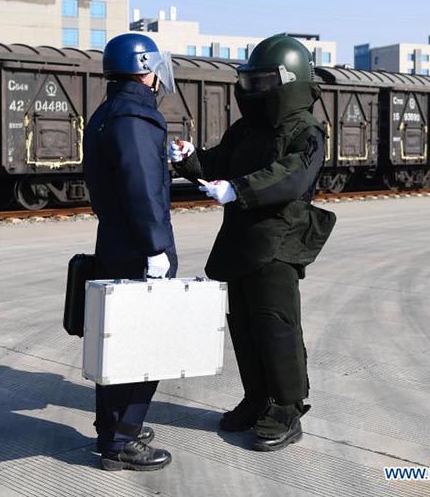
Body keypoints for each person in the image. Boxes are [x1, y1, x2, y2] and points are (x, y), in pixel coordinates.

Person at [170, 33, 336, 451]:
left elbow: (291, 175)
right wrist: (189, 158)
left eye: (264, 82)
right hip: (242, 243)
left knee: (276, 327)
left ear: (290, 82)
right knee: (244, 326)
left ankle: (286, 407)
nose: (254, 91)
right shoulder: (247, 128)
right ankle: (257, 397)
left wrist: (239, 189)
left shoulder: (306, 130)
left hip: (278, 243)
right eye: (251, 81)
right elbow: (217, 163)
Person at [83, 33, 177, 471]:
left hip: (113, 239)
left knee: (116, 342)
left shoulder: (105, 112)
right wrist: (156, 249)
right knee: (146, 345)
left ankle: (111, 430)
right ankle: (124, 440)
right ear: (146, 68)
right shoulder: (137, 115)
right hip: (140, 246)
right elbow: (141, 188)